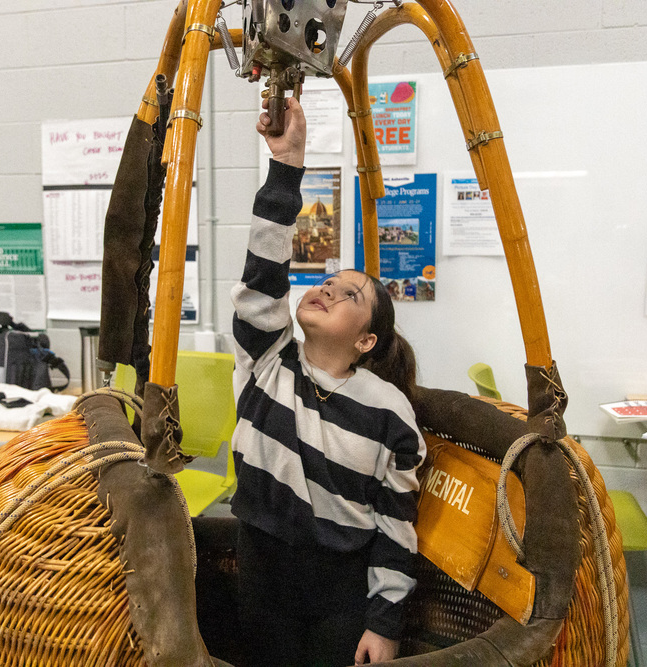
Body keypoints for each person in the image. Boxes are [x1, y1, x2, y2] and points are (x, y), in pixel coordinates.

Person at [231, 96, 426, 667]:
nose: (328, 290)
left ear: (366, 340)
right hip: (260, 570)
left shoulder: (389, 413)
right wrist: (287, 167)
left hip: (338, 593)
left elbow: (396, 525)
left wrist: (385, 623)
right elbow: (263, 271)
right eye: (328, 282)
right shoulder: (267, 360)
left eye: (350, 296)